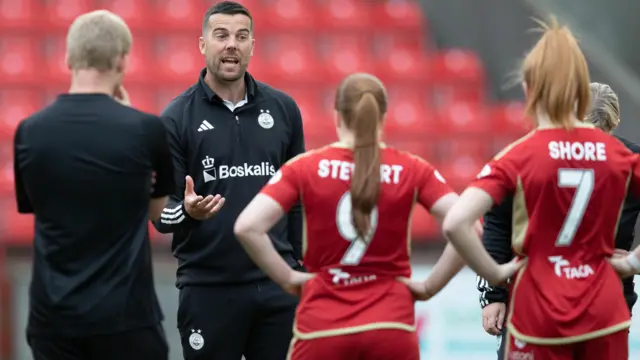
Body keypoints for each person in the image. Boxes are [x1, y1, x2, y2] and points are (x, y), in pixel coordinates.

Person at [233, 72, 495, 360]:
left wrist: (289, 279)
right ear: (382, 116)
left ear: (337, 116)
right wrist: (429, 287)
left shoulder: (304, 167)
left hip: (322, 326)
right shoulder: (412, 168)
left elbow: (247, 226)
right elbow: (470, 226)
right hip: (391, 325)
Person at [435, 18, 638, 360]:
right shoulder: (620, 154)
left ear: (531, 90)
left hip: (538, 309)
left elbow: (456, 223)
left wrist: (496, 275)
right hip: (603, 308)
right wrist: (631, 263)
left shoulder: (522, 154)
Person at [14, 10, 173, 360]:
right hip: (126, 321)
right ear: (121, 61)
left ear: (69, 58)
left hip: (53, 322)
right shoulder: (147, 131)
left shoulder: (29, 132)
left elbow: (35, 207)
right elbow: (160, 213)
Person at [151, 2, 305, 359]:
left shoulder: (283, 109)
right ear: (203, 45)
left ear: (253, 45)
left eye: (241, 36)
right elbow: (161, 215)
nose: (231, 44)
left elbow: (298, 199)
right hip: (208, 289)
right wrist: (188, 210)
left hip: (277, 286)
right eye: (221, 35)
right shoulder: (175, 118)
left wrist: (298, 268)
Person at [476, 82, 640, 359]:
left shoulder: (528, 154)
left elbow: (463, 221)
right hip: (544, 301)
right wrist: (493, 295)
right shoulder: (536, 155)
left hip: (590, 303)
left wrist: (632, 263)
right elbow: (497, 222)